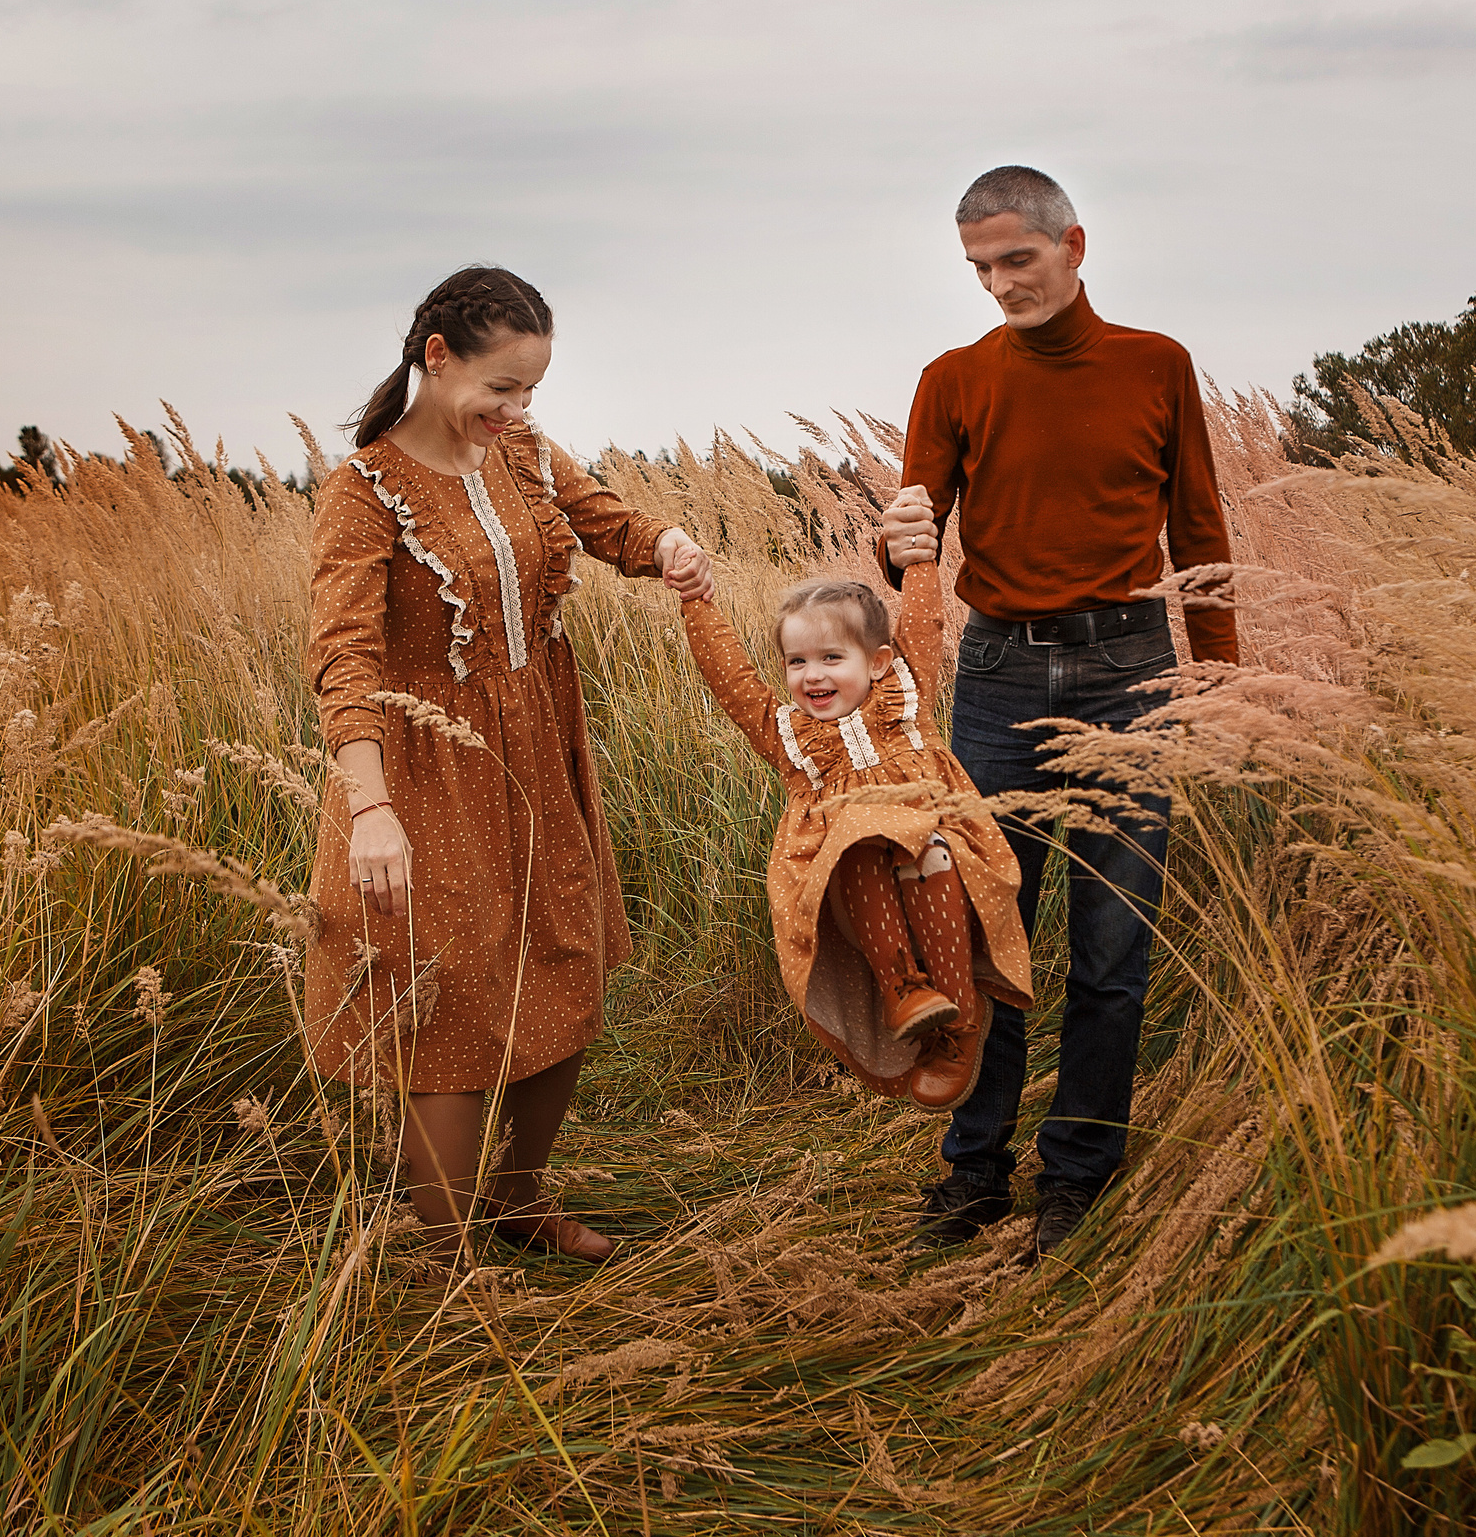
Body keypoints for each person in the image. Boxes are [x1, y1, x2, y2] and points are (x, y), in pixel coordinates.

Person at [306, 265, 713, 1265]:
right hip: (419, 764)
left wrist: (665, 543)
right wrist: (372, 809)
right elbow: (342, 658)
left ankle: (520, 1198)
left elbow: (605, 521)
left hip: (536, 744)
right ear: (436, 358)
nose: (515, 409)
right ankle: (448, 1261)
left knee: (559, 963)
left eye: (530, 390)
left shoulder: (523, 451)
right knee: (447, 996)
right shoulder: (364, 493)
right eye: (500, 388)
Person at [881, 166, 1239, 1258]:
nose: (999, 286)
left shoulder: (1156, 365)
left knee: (1111, 952)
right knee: (990, 942)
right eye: (980, 269)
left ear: (1072, 246)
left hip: (1131, 674)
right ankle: (974, 1174)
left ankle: (1077, 1176)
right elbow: (912, 543)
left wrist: (1217, 690)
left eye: (1016, 261)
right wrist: (896, 545)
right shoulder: (951, 379)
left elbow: (1203, 536)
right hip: (994, 684)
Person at [677, 565, 1032, 1109]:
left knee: (927, 849)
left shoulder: (908, 701)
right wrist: (696, 603)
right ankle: (903, 990)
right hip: (849, 876)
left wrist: (919, 558)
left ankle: (957, 1018)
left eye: (831, 658)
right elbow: (730, 679)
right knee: (857, 838)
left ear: (879, 662)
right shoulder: (789, 738)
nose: (812, 676)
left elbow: (925, 622)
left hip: (937, 855)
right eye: (797, 662)